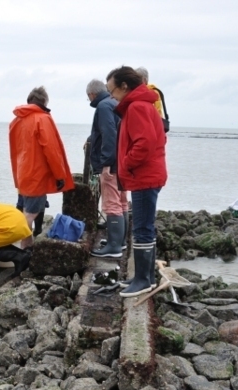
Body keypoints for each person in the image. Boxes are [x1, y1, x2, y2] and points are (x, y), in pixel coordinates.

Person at [106, 66, 168, 298]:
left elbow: (144, 143)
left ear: (124, 86)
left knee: (142, 227)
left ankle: (143, 280)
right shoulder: (144, 105)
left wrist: (126, 164)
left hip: (144, 176)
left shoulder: (137, 107)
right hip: (149, 174)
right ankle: (146, 277)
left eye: (112, 90)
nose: (111, 96)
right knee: (145, 226)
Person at [9, 86, 74, 245]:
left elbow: (14, 150)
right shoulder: (42, 119)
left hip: (22, 172)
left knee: (26, 211)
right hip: (37, 175)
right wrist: (60, 175)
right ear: (44, 102)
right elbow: (52, 150)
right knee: (30, 215)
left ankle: (24, 247)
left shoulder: (16, 121)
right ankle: (25, 249)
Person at [84, 78, 127, 258]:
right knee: (122, 201)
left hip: (111, 163)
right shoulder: (115, 102)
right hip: (122, 161)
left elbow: (109, 133)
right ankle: (121, 242)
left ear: (92, 94)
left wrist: (106, 162)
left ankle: (114, 246)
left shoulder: (102, 107)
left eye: (88, 97)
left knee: (111, 204)